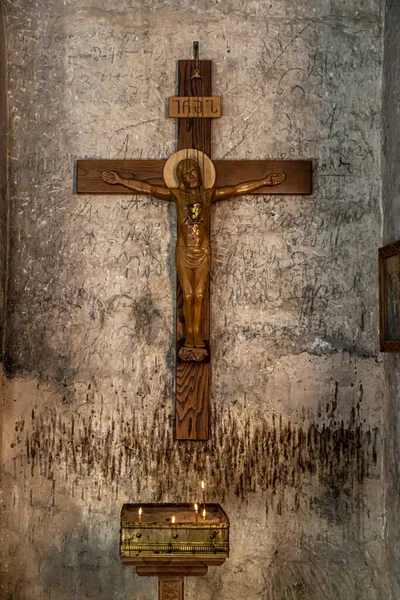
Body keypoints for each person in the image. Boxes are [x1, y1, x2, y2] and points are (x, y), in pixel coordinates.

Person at [101, 159, 285, 349]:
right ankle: (190, 335)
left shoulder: (208, 194)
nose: (191, 177)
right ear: (181, 179)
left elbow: (237, 189)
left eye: (193, 172)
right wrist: (121, 181)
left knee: (199, 294)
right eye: (186, 175)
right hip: (183, 251)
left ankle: (197, 333)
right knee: (188, 295)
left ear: (199, 172)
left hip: (203, 252)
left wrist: (265, 182)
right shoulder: (177, 195)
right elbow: (149, 189)